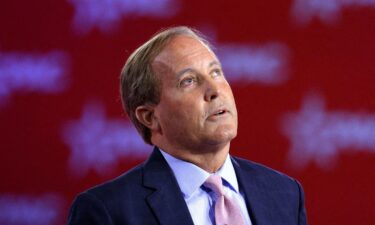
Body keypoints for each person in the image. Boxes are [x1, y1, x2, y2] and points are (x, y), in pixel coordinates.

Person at [67, 26, 308, 225]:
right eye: (189, 81)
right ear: (150, 117)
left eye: (216, 73)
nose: (215, 90)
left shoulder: (285, 194)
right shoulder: (108, 212)